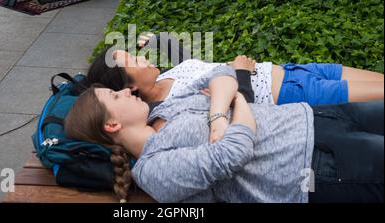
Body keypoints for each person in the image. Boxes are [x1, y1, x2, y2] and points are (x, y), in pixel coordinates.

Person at [65, 64, 384, 203]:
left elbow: (222, 73)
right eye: (114, 96)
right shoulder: (154, 169)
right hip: (315, 164)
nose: (124, 92)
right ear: (111, 125)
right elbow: (233, 152)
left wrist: (221, 114)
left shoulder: (163, 111)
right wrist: (238, 100)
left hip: (317, 117)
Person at [87, 45, 384, 107]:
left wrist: (153, 40)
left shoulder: (166, 76)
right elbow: (241, 108)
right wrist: (239, 70)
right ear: (130, 87)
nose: (142, 58)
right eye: (133, 62)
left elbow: (186, 57)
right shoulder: (172, 107)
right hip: (294, 95)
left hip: (295, 70)